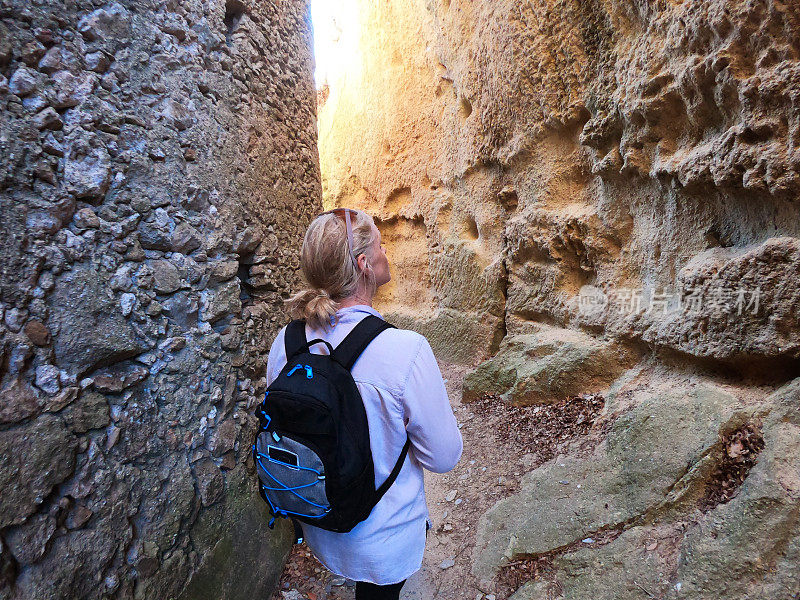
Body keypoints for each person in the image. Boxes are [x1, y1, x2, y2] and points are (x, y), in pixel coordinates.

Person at [265, 207, 463, 600]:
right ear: (363, 264)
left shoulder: (285, 345)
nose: (385, 248)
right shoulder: (405, 350)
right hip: (382, 541)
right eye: (378, 242)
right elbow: (443, 457)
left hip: (319, 521)